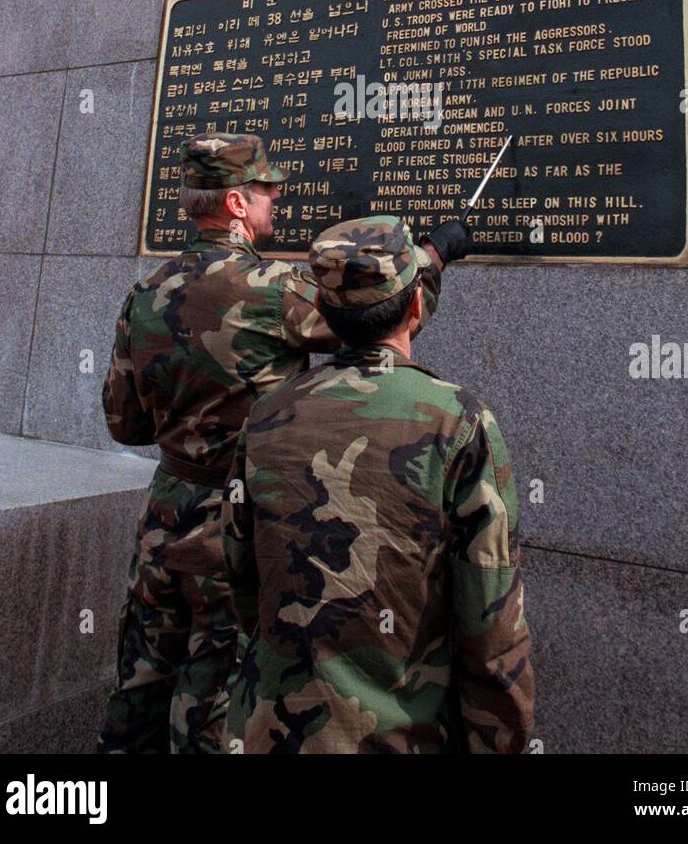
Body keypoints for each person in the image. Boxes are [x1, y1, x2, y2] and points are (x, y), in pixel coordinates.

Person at [97, 136, 451, 752]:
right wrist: (434, 257)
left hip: (162, 518)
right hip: (232, 526)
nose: (276, 200)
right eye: (265, 192)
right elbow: (372, 309)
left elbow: (124, 425)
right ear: (235, 202)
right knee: (215, 697)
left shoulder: (145, 292)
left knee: (141, 679)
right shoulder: (274, 289)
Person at [221, 213, 531, 754]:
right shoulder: (458, 423)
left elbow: (246, 582)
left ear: (320, 310)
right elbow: (491, 624)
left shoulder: (265, 417)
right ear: (416, 307)